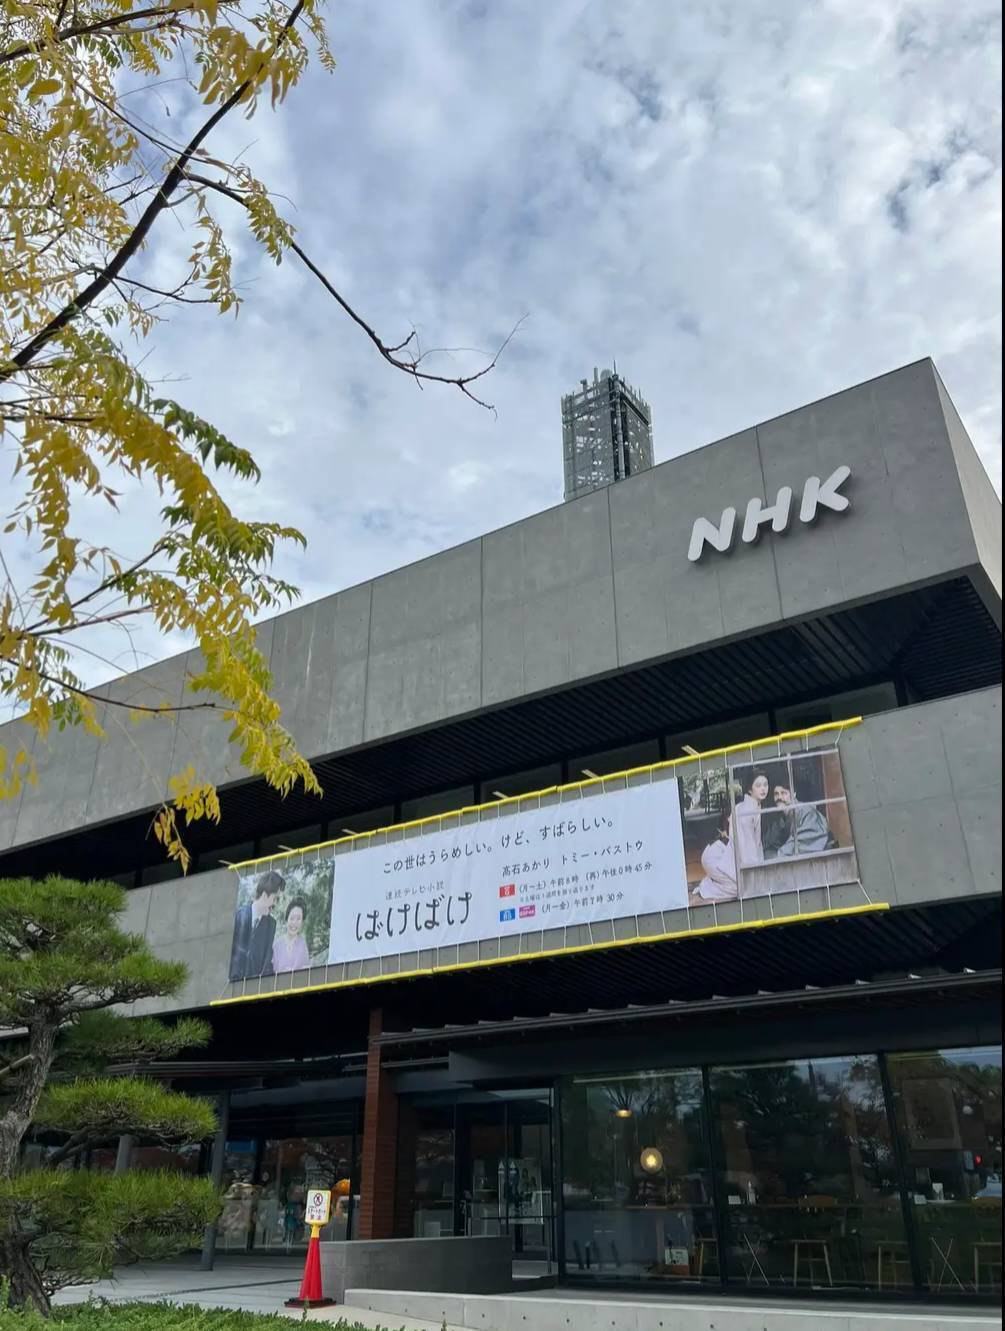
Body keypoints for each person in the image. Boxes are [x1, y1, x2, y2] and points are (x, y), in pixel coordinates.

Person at [229, 870, 283, 980]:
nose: (276, 904)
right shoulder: (239, 916)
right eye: (275, 899)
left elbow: (266, 960)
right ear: (264, 895)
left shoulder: (271, 925)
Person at [771, 783, 835, 856]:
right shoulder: (782, 818)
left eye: (783, 793)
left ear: (794, 794)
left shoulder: (805, 811)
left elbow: (809, 840)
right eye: (776, 794)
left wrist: (781, 854)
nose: (779, 797)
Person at [731, 770, 769, 868]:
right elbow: (747, 844)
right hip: (746, 861)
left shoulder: (754, 806)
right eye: (758, 786)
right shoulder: (748, 810)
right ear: (750, 789)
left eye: (765, 785)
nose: (763, 789)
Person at [696, 813, 738, 901]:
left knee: (737, 883)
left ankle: (712, 881)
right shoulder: (733, 822)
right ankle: (708, 887)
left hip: (712, 854)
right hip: (713, 857)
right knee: (737, 888)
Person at [273, 897, 310, 973]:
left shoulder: (303, 944)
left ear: (302, 922)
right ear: (287, 919)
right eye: (292, 918)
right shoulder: (277, 945)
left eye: (298, 919)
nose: (294, 923)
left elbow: (306, 971)